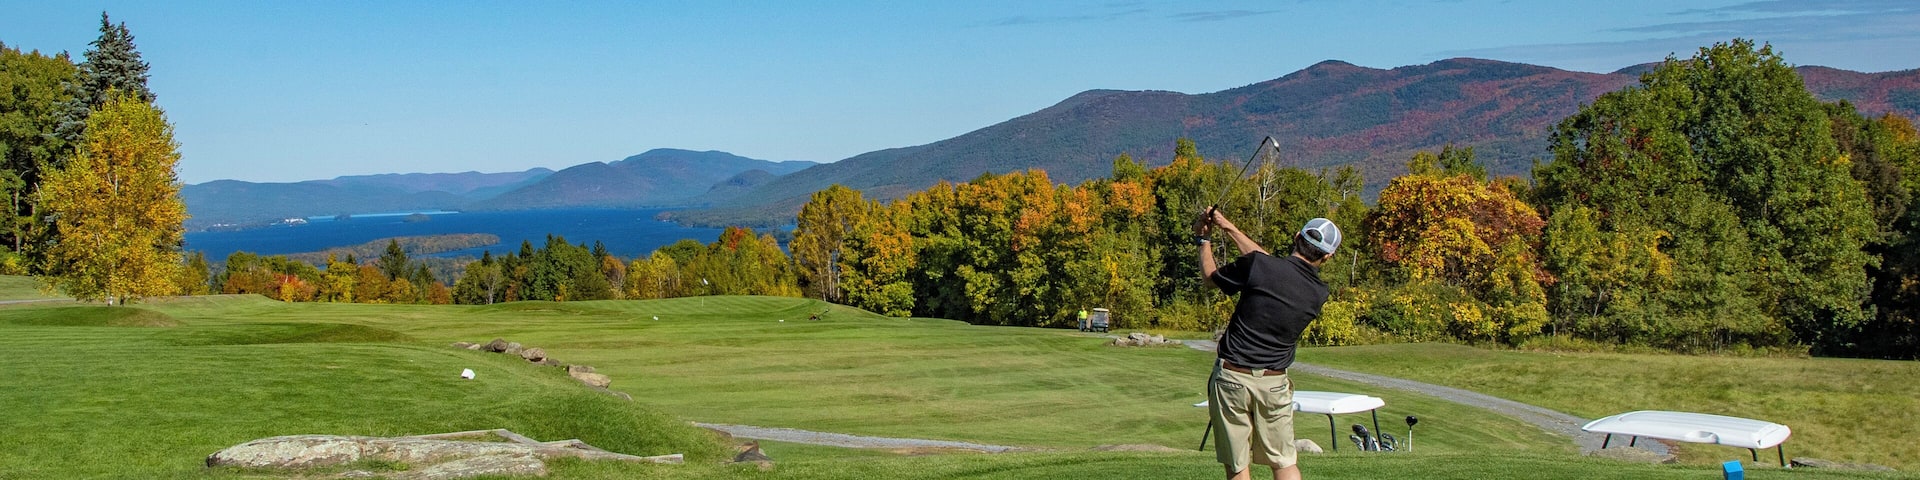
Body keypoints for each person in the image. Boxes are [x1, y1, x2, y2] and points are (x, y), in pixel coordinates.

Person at [1196, 209, 1340, 480]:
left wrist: (1203, 240)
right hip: (1274, 385)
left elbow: (1210, 277)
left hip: (1231, 378)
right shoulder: (1318, 293)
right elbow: (1269, 265)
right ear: (1327, 256)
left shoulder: (1261, 267)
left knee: (1238, 465)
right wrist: (1228, 226)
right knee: (1284, 462)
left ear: (1297, 237)